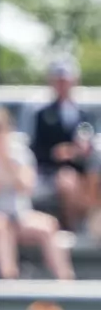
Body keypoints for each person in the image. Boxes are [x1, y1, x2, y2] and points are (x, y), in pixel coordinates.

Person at [0, 108, 74, 281]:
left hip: (18, 215)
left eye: (0, 129)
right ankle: (9, 279)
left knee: (48, 226)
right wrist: (2, 176)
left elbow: (27, 186)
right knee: (0, 225)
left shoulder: (20, 154)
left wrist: (5, 162)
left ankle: (65, 280)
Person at [30, 58, 99, 232]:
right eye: (59, 81)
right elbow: (37, 150)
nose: (63, 85)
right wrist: (57, 153)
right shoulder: (43, 115)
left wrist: (84, 150)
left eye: (66, 81)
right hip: (54, 170)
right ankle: (76, 227)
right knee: (67, 181)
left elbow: (92, 144)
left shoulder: (86, 115)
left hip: (84, 170)